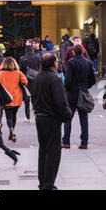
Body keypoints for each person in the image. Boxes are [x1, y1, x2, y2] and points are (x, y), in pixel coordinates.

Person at [32, 53, 72, 191]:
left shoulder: (38, 77)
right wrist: (67, 114)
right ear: (53, 63)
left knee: (43, 150)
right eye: (57, 61)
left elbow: (33, 97)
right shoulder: (54, 78)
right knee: (53, 152)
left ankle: (42, 181)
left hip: (40, 117)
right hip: (51, 118)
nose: (58, 62)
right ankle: (48, 184)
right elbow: (60, 101)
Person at [62, 44, 96, 150]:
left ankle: (66, 141)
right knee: (84, 118)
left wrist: (66, 89)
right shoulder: (88, 63)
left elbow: (68, 79)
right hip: (83, 92)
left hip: (72, 92)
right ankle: (84, 142)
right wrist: (86, 86)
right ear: (83, 51)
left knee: (68, 118)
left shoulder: (71, 62)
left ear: (73, 52)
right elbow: (93, 79)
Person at [0, 57, 28, 142]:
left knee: (9, 117)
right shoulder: (18, 73)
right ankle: (12, 133)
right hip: (17, 97)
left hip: (6, 98)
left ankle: (11, 131)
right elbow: (25, 82)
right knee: (14, 115)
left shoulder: (1, 73)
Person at [19, 45, 41, 123]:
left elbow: (20, 71)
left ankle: (28, 117)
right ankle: (36, 114)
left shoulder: (22, 59)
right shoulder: (38, 58)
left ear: (25, 50)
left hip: (26, 81)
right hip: (36, 81)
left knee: (26, 100)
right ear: (33, 50)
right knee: (35, 99)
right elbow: (40, 69)